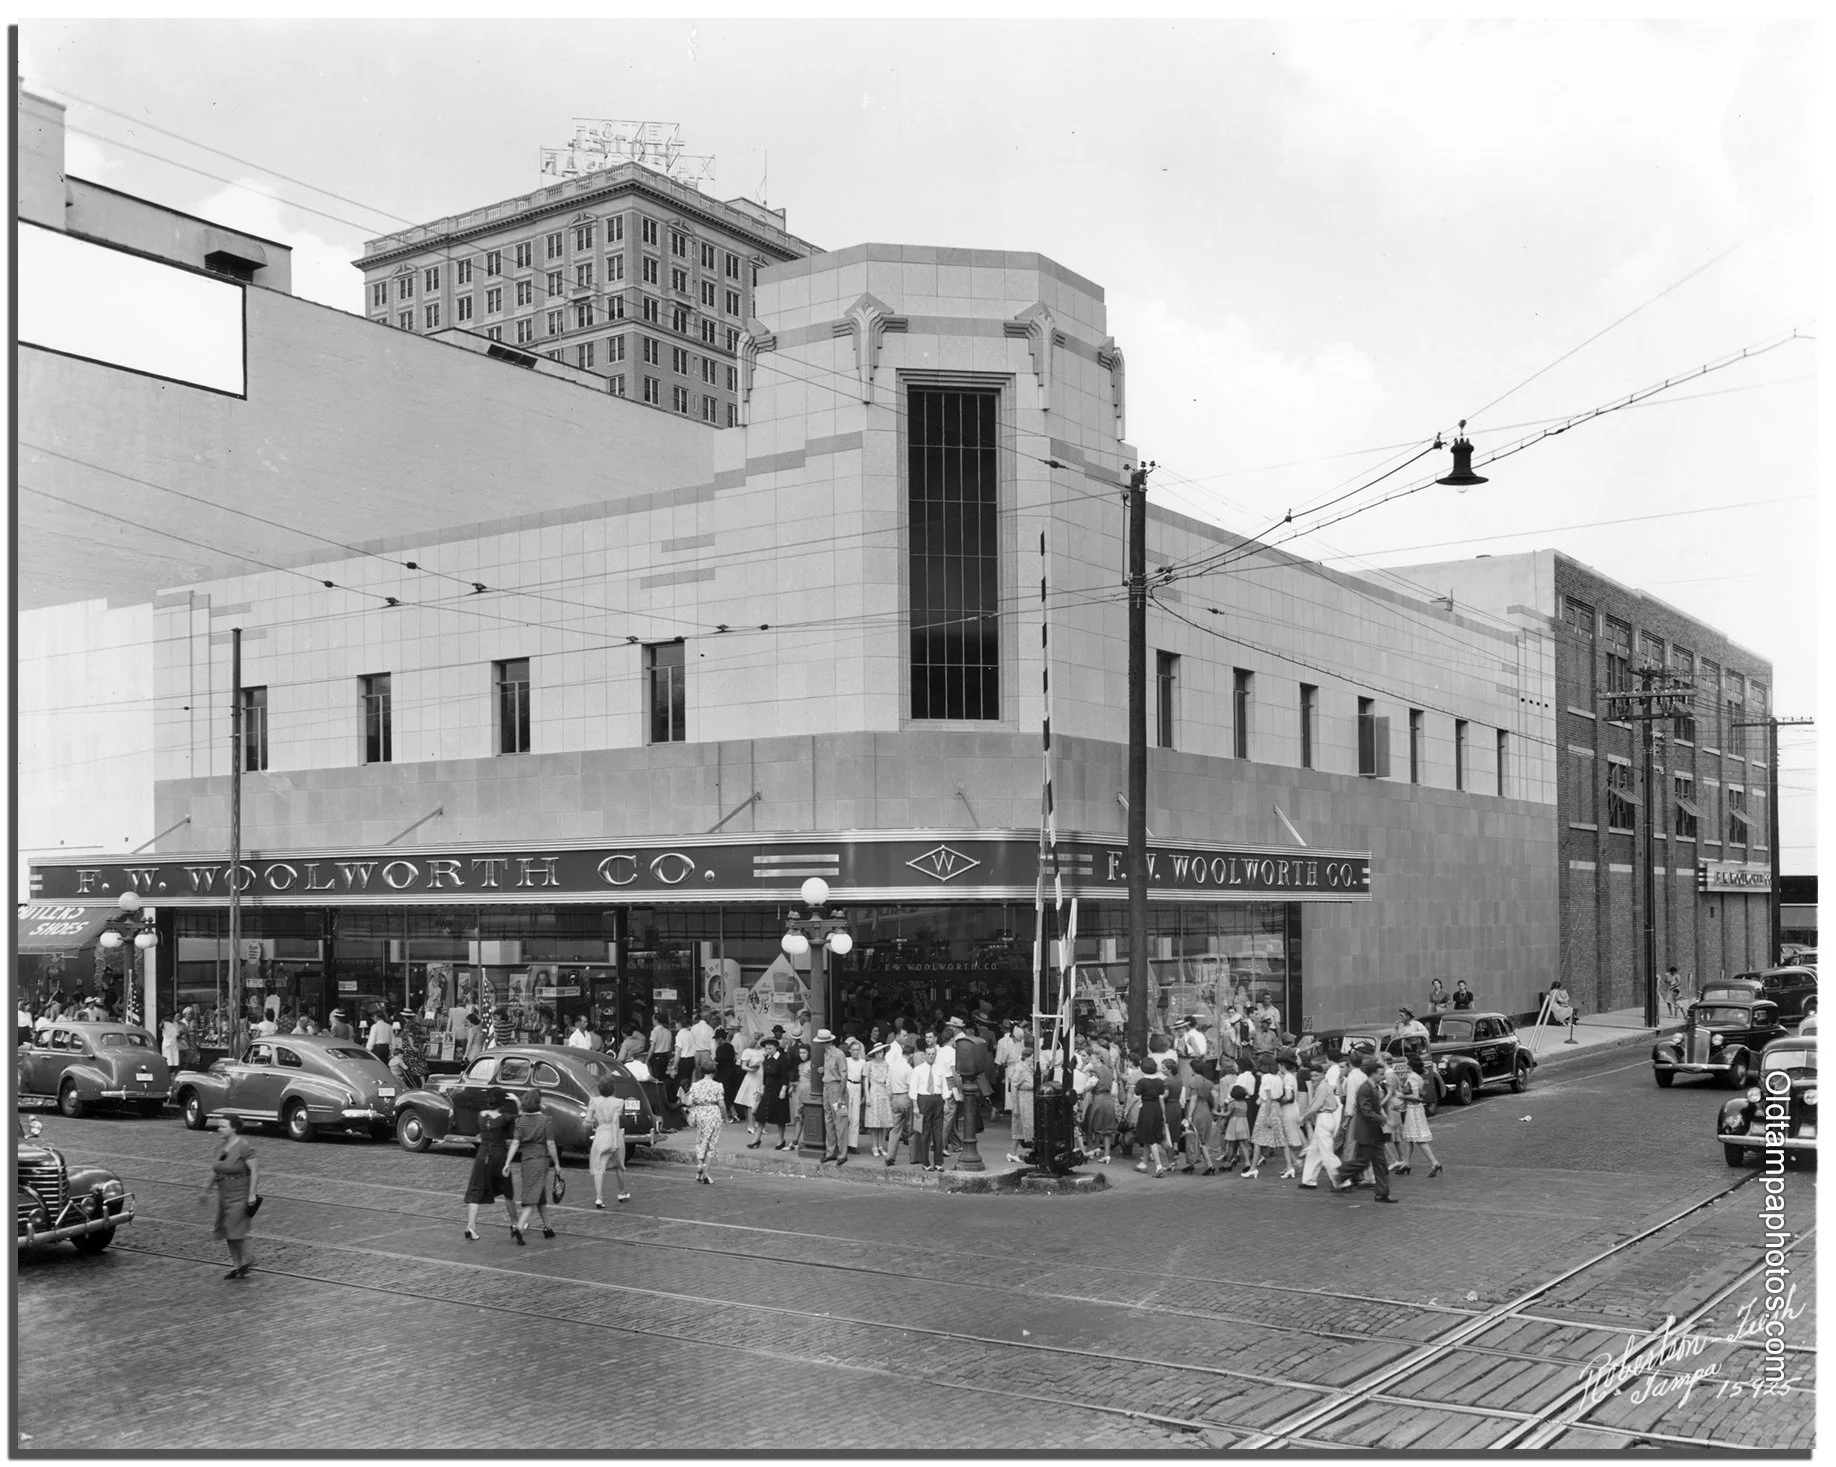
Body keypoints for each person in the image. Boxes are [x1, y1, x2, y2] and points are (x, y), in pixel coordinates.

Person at [201, 1113, 260, 1279]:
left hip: (240, 1193)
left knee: (236, 1229)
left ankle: (247, 1258)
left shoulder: (244, 1147)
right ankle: (237, 1266)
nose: (219, 1129)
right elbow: (216, 1169)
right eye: (219, 1126)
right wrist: (206, 1189)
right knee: (227, 1229)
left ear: (233, 1128)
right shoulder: (220, 1148)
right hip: (224, 1194)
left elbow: (255, 1171)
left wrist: (252, 1194)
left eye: (223, 1126)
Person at [503, 1088, 561, 1244]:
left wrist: (508, 1162)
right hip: (541, 1160)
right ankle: (520, 1227)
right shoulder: (545, 1121)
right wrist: (556, 1163)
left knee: (537, 1192)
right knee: (533, 1197)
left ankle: (547, 1227)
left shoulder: (520, 1121)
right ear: (539, 1103)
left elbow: (515, 1143)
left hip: (526, 1161)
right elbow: (550, 1143)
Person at [464, 1089, 521, 1235]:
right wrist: (516, 1101)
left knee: (476, 1190)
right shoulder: (504, 1118)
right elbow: (521, 1118)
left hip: (482, 1155)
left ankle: (471, 1226)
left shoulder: (481, 1115)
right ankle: (515, 1223)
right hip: (499, 1156)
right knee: (508, 1191)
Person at [1349, 1055, 1397, 1202]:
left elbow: (1375, 1108)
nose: (1383, 1076)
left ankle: (1382, 1193)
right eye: (1381, 1074)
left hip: (1375, 1132)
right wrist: (1384, 1120)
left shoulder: (1374, 1087)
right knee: (1363, 1162)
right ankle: (1341, 1174)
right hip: (1367, 1132)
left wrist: (1385, 1120)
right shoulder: (1365, 1088)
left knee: (1380, 1163)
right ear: (1373, 1074)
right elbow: (1366, 1111)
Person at [1245, 1053, 1296, 1180]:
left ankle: (1253, 1168)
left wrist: (1267, 1116)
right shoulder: (1278, 1077)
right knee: (1282, 1139)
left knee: (1257, 1138)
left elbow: (1267, 1098)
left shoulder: (1266, 1077)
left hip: (1267, 1108)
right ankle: (1289, 1166)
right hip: (1277, 1107)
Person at [1297, 1058, 1343, 1190]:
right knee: (1314, 1151)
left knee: (1327, 1153)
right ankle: (1308, 1180)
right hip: (1324, 1118)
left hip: (1324, 1118)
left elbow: (1315, 1107)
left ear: (1322, 1075)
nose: (1313, 1078)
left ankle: (1342, 1181)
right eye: (1312, 1076)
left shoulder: (1323, 1087)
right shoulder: (1324, 1086)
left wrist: (1303, 1117)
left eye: (1316, 1075)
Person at [1395, 1057, 1443, 1177]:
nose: (1404, 1063)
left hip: (1414, 1110)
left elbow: (1417, 1096)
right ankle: (1406, 1163)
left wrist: (1402, 1096)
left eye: (1406, 1061)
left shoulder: (1412, 1077)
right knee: (1410, 1138)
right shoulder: (1418, 1077)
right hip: (1415, 1109)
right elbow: (1421, 1093)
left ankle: (1434, 1162)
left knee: (1418, 1138)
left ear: (1410, 1064)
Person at [684, 1054, 725, 1185]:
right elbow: (722, 1104)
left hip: (700, 1114)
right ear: (714, 1072)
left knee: (701, 1140)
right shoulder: (718, 1086)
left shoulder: (695, 1085)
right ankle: (707, 1172)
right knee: (712, 1144)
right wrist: (726, 1117)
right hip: (713, 1113)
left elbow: (688, 1102)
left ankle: (700, 1166)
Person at [909, 1037, 946, 1171]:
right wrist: (915, 1106)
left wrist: (945, 1101)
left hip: (937, 1099)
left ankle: (938, 1162)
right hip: (923, 1099)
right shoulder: (918, 1070)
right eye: (929, 1054)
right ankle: (925, 1162)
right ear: (925, 1055)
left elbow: (944, 1086)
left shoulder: (939, 1069)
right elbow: (913, 1088)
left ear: (936, 1055)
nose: (931, 1056)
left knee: (938, 1132)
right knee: (924, 1132)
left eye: (933, 1054)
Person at [1132, 1055, 1172, 1177]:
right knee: (1150, 1136)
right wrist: (1164, 1114)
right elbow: (1161, 1098)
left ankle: (1158, 1166)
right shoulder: (1160, 1082)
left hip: (1146, 1109)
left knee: (1150, 1138)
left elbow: (1136, 1095)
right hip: (1157, 1109)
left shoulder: (1141, 1082)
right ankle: (1144, 1163)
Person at [755, 1036, 794, 1150]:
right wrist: (762, 1090)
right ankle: (757, 1138)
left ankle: (781, 1139)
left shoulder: (782, 1058)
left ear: (776, 1048)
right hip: (768, 1089)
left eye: (770, 1048)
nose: (768, 1050)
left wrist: (783, 1090)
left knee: (780, 1116)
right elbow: (765, 1075)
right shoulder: (767, 1059)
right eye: (766, 1048)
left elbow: (785, 1075)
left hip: (779, 1089)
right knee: (761, 1114)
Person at [818, 1029, 850, 1164]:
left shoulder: (839, 1054)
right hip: (828, 1087)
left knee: (840, 1121)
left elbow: (844, 1075)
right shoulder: (827, 1054)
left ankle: (842, 1153)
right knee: (829, 1120)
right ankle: (831, 1151)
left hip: (837, 1088)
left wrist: (840, 1096)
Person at [884, 1033, 915, 1166]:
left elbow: (888, 1085)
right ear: (911, 1055)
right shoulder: (909, 1069)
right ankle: (914, 1156)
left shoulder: (893, 1067)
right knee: (911, 1128)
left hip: (895, 1098)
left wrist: (891, 1098)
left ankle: (890, 1156)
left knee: (895, 1129)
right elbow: (912, 1088)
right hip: (906, 1096)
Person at [863, 1041, 893, 1157]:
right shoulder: (869, 1064)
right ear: (874, 1054)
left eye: (882, 1052)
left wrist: (889, 1091)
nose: (880, 1054)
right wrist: (867, 1096)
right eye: (878, 1052)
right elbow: (866, 1080)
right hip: (874, 1091)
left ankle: (881, 1145)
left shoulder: (886, 1064)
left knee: (883, 1120)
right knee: (874, 1122)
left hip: (884, 1091)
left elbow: (888, 1078)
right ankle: (874, 1145)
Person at [735, 1033, 765, 1132]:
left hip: (762, 1076)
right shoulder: (748, 1051)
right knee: (751, 1101)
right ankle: (751, 1125)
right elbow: (743, 1066)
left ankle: (759, 1124)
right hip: (752, 1077)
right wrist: (751, 1069)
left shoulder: (763, 1050)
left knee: (761, 1101)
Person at [845, 1037, 867, 1153]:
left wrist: (864, 1094)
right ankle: (844, 1142)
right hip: (848, 1085)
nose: (855, 1052)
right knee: (846, 1116)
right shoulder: (846, 1061)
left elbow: (864, 1079)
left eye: (857, 1050)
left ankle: (852, 1144)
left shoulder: (863, 1063)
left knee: (855, 1117)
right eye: (853, 1050)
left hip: (858, 1087)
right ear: (850, 1050)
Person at [715, 1028, 740, 1122]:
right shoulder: (730, 1047)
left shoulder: (720, 1048)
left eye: (717, 1039)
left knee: (723, 1096)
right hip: (732, 1072)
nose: (716, 1041)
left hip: (723, 1074)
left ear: (720, 1038)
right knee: (731, 1095)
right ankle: (735, 1114)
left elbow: (718, 1060)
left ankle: (726, 1117)